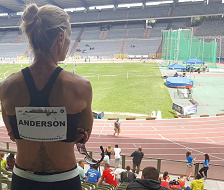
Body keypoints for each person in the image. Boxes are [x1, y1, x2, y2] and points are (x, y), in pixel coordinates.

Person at [0, 4, 93, 190]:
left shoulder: (7, 87)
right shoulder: (80, 87)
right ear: (60, 37)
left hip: (22, 179)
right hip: (65, 181)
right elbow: (83, 135)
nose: (69, 41)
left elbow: (12, 134)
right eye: (69, 36)